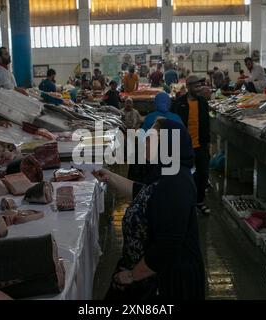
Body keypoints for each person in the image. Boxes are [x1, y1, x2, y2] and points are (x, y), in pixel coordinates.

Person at [93, 118, 205, 300]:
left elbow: (168, 243)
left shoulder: (177, 183)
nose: (144, 141)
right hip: (150, 273)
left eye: (151, 137)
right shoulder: (166, 172)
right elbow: (144, 192)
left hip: (169, 282)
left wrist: (133, 275)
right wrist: (109, 176)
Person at [172, 75, 211, 215]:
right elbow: (174, 123)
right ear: (188, 87)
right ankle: (184, 203)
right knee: (183, 175)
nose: (199, 89)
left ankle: (199, 202)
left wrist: (207, 143)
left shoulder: (202, 103)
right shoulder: (179, 103)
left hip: (200, 145)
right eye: (196, 86)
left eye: (200, 86)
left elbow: (206, 124)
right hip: (184, 145)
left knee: (203, 174)